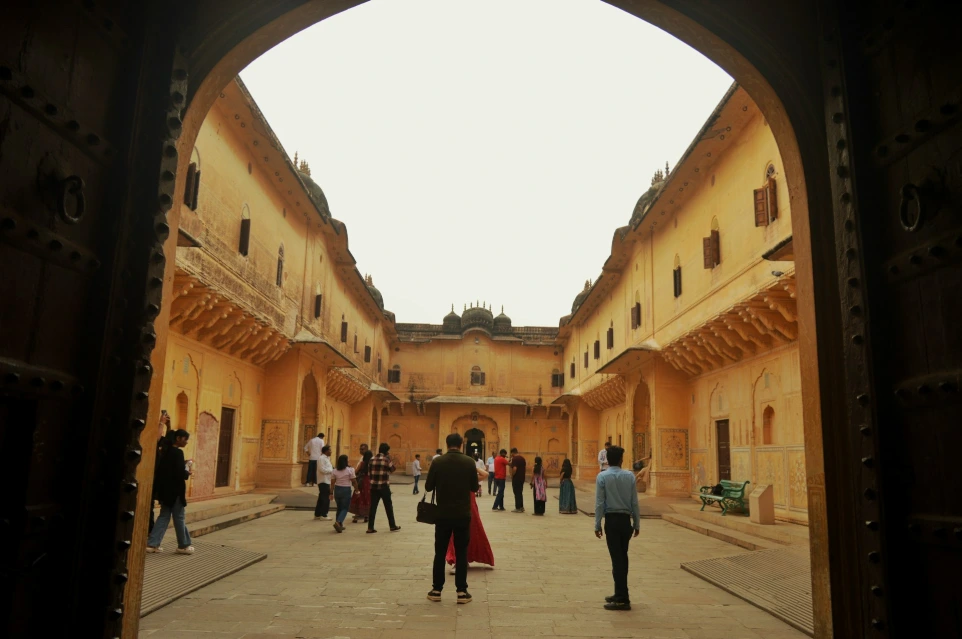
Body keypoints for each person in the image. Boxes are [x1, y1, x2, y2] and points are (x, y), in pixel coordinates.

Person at [425, 433, 480, 604]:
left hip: (442, 514)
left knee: (439, 552)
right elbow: (474, 487)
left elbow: (428, 486)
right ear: (462, 444)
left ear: (447, 444)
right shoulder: (469, 462)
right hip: (462, 514)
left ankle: (436, 590)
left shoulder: (438, 462)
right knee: (461, 552)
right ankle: (462, 592)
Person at [594, 445, 640, 611]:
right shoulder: (629, 476)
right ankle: (620, 592)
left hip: (612, 521)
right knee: (622, 557)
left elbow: (600, 502)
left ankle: (622, 598)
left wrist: (597, 524)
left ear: (607, 460)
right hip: (625, 521)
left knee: (617, 559)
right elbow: (634, 501)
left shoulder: (603, 477)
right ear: (621, 459)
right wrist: (637, 523)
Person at [146, 429, 194, 554]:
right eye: (185, 439)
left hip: (165, 491)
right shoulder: (177, 453)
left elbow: (167, 470)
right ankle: (183, 545)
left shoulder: (166, 452)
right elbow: (178, 473)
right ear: (178, 438)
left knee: (164, 516)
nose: (186, 442)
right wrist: (186, 472)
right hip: (175, 491)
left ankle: (152, 544)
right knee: (179, 517)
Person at [446, 452, 494, 570]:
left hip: (470, 509)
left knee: (470, 534)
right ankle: (458, 560)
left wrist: (474, 467)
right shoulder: (458, 477)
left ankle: (464, 559)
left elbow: (485, 474)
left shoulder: (469, 477)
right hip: (460, 508)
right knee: (458, 534)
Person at [367, 443, 401, 533]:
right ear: (386, 451)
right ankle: (392, 525)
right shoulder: (386, 460)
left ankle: (370, 527)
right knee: (388, 507)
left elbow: (369, 473)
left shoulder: (371, 459)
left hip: (373, 487)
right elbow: (393, 469)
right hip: (384, 486)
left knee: (373, 507)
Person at [331, 454, 359, 533]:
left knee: (339, 508)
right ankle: (339, 521)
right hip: (346, 489)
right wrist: (357, 490)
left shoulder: (335, 470)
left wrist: (330, 492)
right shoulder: (350, 470)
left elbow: (332, 483)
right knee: (345, 508)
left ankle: (339, 525)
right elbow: (354, 481)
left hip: (337, 489)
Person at [350, 449, 373, 523]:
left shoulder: (362, 463)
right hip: (369, 482)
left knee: (359, 497)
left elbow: (355, 471)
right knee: (367, 497)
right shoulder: (372, 464)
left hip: (361, 481)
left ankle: (357, 515)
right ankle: (367, 515)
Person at [313, 445, 333, 521]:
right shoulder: (321, 458)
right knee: (325, 498)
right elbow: (322, 469)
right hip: (323, 480)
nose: (331, 452)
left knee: (321, 497)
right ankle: (324, 514)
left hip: (327, 480)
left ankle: (317, 514)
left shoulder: (327, 458)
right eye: (330, 450)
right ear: (326, 451)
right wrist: (331, 471)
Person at [509, 448, 527, 513]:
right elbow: (525, 468)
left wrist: (512, 475)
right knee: (520, 492)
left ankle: (518, 507)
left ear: (512, 453)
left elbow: (514, 468)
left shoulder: (515, 459)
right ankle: (521, 507)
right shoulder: (522, 458)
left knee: (516, 493)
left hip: (516, 478)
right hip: (521, 478)